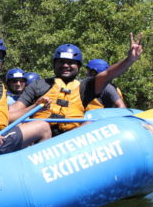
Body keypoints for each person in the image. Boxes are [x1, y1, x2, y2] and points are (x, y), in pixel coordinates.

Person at [9, 33, 142, 135]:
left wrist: (129, 60)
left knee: (91, 123)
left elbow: (107, 74)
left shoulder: (85, 87)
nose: (65, 65)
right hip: (42, 138)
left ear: (78, 66)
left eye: (70, 62)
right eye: (61, 61)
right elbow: (15, 109)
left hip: (72, 140)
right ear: (54, 64)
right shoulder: (38, 85)